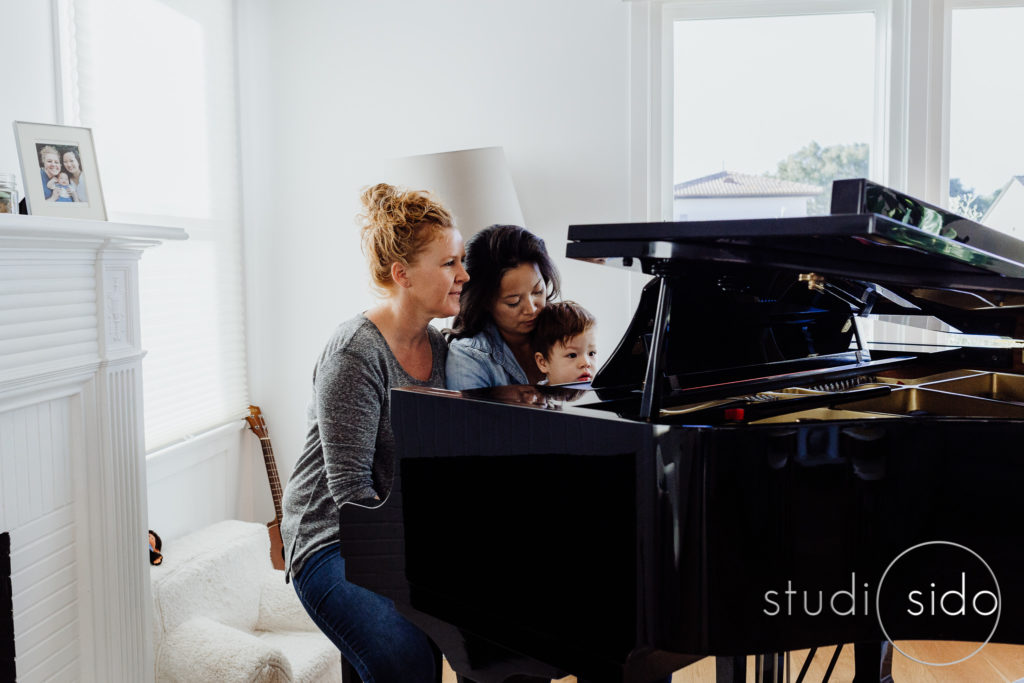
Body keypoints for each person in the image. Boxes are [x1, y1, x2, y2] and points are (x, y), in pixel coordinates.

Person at [279, 182, 468, 683]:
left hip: (399, 535)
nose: (463, 275)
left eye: (461, 260)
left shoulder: (443, 349)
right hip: (331, 540)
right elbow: (351, 494)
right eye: (449, 263)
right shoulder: (355, 354)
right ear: (402, 274)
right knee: (404, 659)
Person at [446, 224, 561, 390]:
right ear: (485, 302)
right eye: (513, 301)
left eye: (538, 291)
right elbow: (471, 416)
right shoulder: (469, 356)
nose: (531, 309)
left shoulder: (563, 332)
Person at [531, 301, 598, 385]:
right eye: (572, 355)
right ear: (543, 362)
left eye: (591, 353)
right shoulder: (536, 396)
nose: (586, 363)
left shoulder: (597, 394)